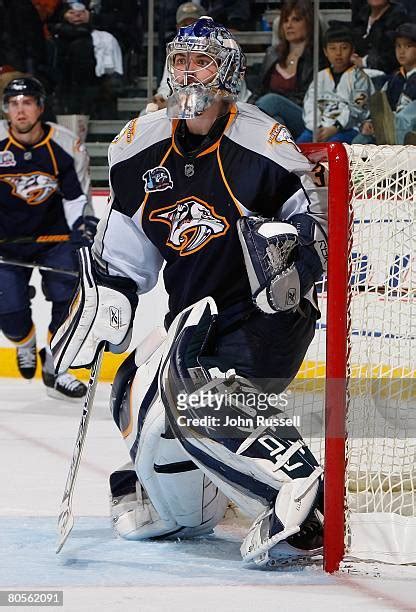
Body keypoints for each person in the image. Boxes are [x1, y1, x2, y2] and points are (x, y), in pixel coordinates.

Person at [51, 17, 327, 567]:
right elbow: (125, 250)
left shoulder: (263, 142)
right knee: (134, 388)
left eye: (201, 61)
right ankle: (190, 510)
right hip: (194, 318)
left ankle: (301, 495)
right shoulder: (138, 146)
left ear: (227, 71)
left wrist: (293, 261)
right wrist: (107, 300)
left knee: (197, 396)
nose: (187, 71)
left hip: (265, 312)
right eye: (179, 61)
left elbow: (316, 222)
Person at [0, 76, 96, 400]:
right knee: (9, 312)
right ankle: (25, 343)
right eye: (14, 104)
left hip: (55, 238)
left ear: (40, 107)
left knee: (66, 300)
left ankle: (58, 365)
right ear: (6, 110)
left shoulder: (65, 145)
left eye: (27, 102)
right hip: (7, 243)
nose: (20, 110)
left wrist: (81, 231)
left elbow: (75, 198)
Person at [251, 0, 324, 140]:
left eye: (296, 20)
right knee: (277, 122)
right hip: (272, 115)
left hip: (303, 117)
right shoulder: (272, 54)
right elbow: (259, 89)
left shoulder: (318, 57)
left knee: (272, 101)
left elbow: (308, 99)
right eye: (285, 20)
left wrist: (277, 100)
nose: (289, 25)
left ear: (309, 23)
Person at [297, 23, 374, 144]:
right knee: (298, 148)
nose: (338, 53)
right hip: (318, 128)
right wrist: (316, 127)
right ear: (325, 51)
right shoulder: (320, 76)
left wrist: (336, 127)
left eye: (344, 48)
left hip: (347, 129)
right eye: (332, 48)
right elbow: (310, 103)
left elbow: (357, 110)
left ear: (352, 50)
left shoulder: (360, 78)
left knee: (332, 149)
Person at [354, 22, 416, 144]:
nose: (402, 51)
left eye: (408, 46)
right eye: (398, 46)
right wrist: (371, 122)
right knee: (360, 140)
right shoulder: (395, 78)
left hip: (410, 134)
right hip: (390, 130)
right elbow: (380, 107)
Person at [351, 0, 408, 76]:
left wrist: (364, 61)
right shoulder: (361, 14)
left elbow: (395, 57)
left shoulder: (399, 18)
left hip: (387, 76)